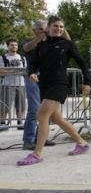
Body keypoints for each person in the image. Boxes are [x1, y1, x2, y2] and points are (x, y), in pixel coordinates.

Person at [16, 16, 91, 166]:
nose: (59, 29)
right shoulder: (41, 45)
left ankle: (37, 153)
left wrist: (87, 81)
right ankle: (82, 143)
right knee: (56, 118)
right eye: (56, 26)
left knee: (42, 115)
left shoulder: (67, 44)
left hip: (60, 83)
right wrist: (31, 72)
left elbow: (82, 62)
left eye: (61, 27)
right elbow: (33, 62)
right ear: (48, 28)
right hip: (44, 84)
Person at [20, 20, 56, 150]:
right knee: (34, 108)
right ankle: (28, 140)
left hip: (47, 78)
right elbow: (26, 48)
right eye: (40, 29)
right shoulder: (27, 41)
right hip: (33, 76)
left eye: (45, 29)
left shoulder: (50, 43)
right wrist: (38, 39)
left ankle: (41, 137)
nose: (43, 32)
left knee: (46, 110)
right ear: (34, 30)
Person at [0, 38, 27, 129]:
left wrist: (13, 71)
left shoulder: (22, 58)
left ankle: (20, 122)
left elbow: (26, 70)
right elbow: (1, 71)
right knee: (5, 104)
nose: (14, 46)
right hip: (7, 84)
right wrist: (14, 71)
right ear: (8, 46)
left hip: (21, 84)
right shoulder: (3, 57)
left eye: (15, 45)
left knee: (21, 104)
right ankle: (3, 122)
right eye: (12, 45)